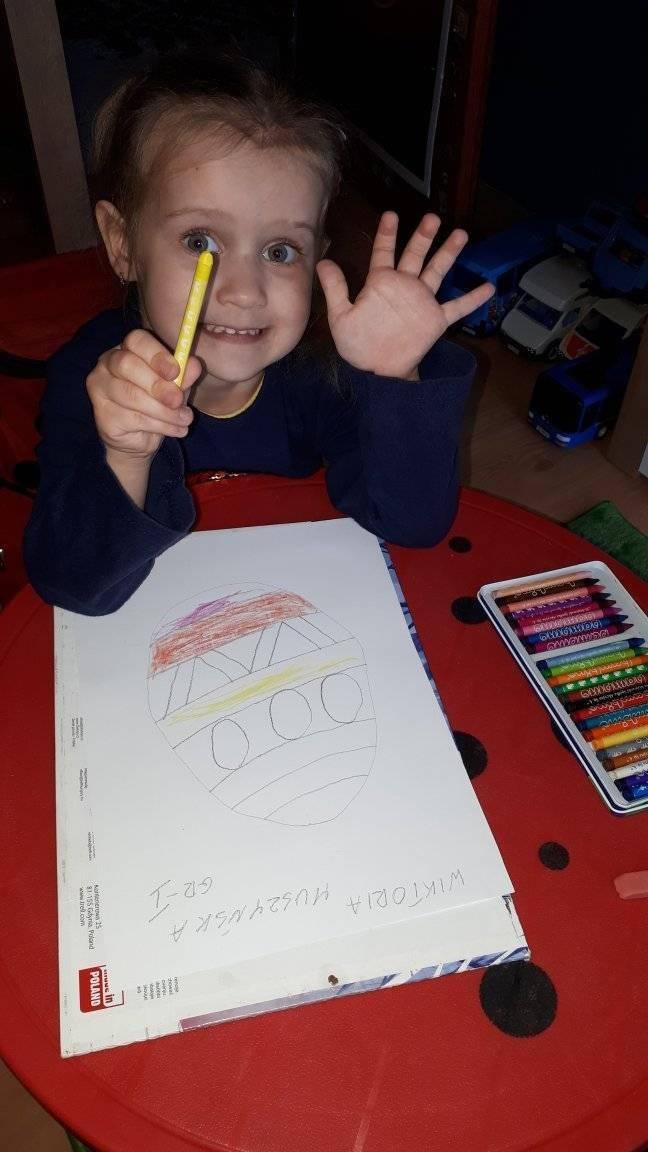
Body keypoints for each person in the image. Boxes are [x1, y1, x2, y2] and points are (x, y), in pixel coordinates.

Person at [23, 51, 493, 615]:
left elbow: (413, 525)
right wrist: (125, 455)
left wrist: (395, 379)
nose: (244, 292)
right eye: (199, 242)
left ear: (316, 259)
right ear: (122, 243)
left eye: (280, 251)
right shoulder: (90, 380)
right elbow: (70, 585)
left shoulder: (320, 375)